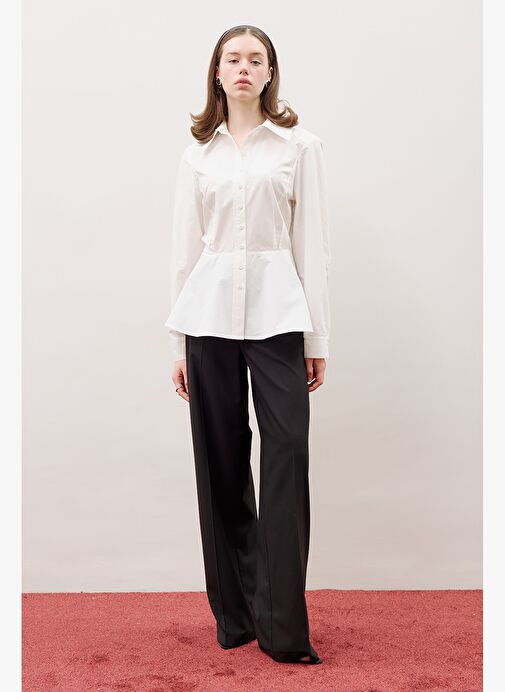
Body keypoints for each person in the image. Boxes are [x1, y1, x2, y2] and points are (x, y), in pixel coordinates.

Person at [165, 24, 331, 665]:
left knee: (287, 454)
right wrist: (177, 344)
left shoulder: (299, 147)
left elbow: (312, 245)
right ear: (217, 72)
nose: (243, 67)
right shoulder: (197, 155)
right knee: (221, 462)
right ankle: (235, 617)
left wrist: (317, 335)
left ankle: (284, 628)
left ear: (269, 73)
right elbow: (185, 252)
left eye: (254, 59)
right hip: (207, 320)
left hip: (278, 316)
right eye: (232, 58)